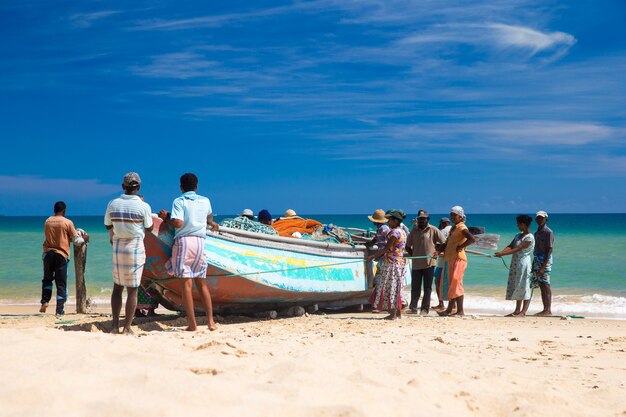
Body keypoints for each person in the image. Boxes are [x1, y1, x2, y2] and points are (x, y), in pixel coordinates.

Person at [159, 173, 219, 331]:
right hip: (200, 242)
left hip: (184, 242)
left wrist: (167, 218)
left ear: (181, 187)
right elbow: (209, 218)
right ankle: (211, 322)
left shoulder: (179, 201)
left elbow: (178, 223)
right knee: (202, 284)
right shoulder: (205, 200)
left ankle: (192, 325)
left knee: (186, 285)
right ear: (197, 186)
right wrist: (212, 223)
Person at [104, 172, 153, 334]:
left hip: (118, 248)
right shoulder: (143, 206)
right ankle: (127, 328)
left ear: (123, 187)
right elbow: (150, 227)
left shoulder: (113, 204)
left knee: (117, 287)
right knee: (132, 289)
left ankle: (114, 326)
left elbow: (107, 225)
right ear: (138, 187)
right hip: (135, 249)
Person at [40, 201, 89, 315]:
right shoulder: (67, 222)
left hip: (47, 253)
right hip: (61, 254)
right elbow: (76, 241)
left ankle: (45, 301)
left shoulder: (47, 221)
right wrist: (85, 238)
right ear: (64, 211)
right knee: (61, 282)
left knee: (47, 279)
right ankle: (59, 310)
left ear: (54, 210)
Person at [367, 209, 408, 320]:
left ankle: (393, 314)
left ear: (395, 221)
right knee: (396, 287)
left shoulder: (394, 233)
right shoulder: (402, 231)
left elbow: (386, 248)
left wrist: (373, 256)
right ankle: (397, 313)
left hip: (392, 263)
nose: (388, 221)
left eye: (390, 219)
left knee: (391, 288)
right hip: (398, 263)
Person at [405, 210, 445, 315]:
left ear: (428, 219)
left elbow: (444, 242)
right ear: (417, 219)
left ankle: (424, 309)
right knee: (415, 287)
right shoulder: (413, 231)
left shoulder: (433, 230)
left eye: (424, 219)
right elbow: (407, 246)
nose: (421, 221)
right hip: (416, 264)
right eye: (420, 219)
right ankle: (413, 308)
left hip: (429, 264)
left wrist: (438, 251)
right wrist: (413, 255)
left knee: (427, 288)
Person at [494, 215, 535, 317]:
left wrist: (502, 254)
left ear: (524, 224)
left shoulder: (529, 237)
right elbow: (511, 246)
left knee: (524, 285)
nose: (518, 226)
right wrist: (501, 252)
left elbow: (519, 248)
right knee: (518, 285)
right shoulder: (518, 235)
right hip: (515, 263)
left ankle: (523, 311)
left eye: (519, 224)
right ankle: (517, 310)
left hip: (524, 263)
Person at [438, 206, 475, 317]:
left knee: (456, 282)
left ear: (460, 216)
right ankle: (450, 309)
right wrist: (441, 247)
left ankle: (460, 311)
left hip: (459, 258)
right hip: (450, 258)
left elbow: (472, 239)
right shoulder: (454, 228)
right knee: (452, 284)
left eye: (454, 215)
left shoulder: (462, 228)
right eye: (451, 215)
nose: (452, 217)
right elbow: (449, 243)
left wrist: (461, 247)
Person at [531, 210, 554, 316]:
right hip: (537, 258)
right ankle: (545, 309)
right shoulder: (536, 233)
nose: (540, 219)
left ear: (546, 219)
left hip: (545, 259)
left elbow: (549, 249)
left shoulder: (548, 232)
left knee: (546, 284)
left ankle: (548, 309)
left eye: (542, 218)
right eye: (538, 218)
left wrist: (543, 266)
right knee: (540, 284)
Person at [364, 209, 391, 294]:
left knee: (379, 278)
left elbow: (389, 243)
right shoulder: (379, 229)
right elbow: (374, 241)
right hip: (381, 256)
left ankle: (379, 297)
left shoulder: (384, 229)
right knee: (380, 277)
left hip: (384, 256)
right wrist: (365, 244)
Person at [433, 217, 452, 310]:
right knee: (450, 283)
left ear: (443, 223)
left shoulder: (442, 231)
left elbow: (438, 245)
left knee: (437, 282)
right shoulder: (453, 230)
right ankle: (453, 305)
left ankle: (441, 303)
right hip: (452, 261)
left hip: (442, 263)